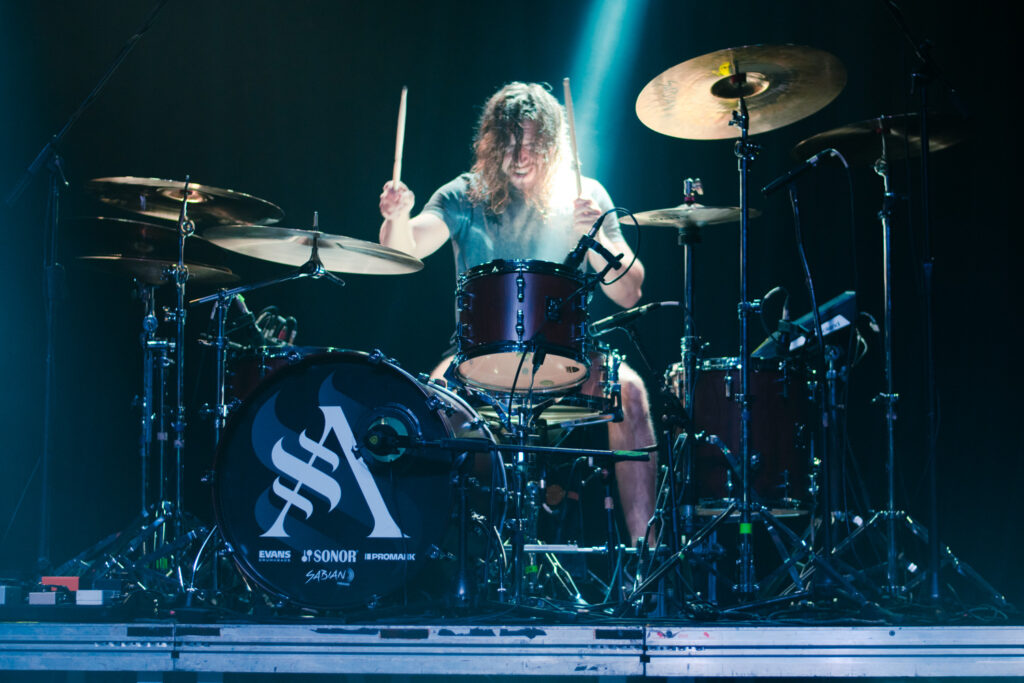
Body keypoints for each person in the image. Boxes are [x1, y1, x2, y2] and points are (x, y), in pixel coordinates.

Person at [378, 82, 657, 544]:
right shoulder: (465, 194)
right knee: (429, 406)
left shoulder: (583, 194)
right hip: (477, 355)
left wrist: (597, 238)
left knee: (630, 392)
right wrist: (396, 218)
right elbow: (403, 250)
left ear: (551, 146)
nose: (520, 156)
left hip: (568, 356)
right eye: (509, 144)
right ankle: (425, 558)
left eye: (531, 144)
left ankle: (648, 559)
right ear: (491, 145)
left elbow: (630, 291)